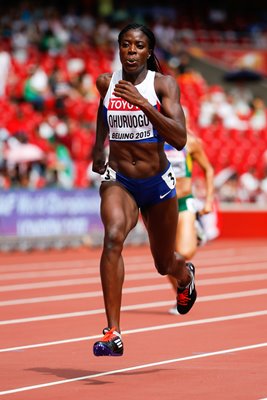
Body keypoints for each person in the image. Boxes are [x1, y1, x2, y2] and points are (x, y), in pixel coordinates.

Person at [92, 23, 197, 357]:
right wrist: (99, 147)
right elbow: (103, 110)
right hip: (120, 179)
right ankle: (113, 332)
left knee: (165, 263)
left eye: (139, 45)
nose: (132, 51)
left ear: (149, 52)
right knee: (113, 237)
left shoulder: (163, 85)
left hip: (157, 184)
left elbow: (179, 139)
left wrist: (144, 104)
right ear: (120, 49)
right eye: (126, 45)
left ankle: (185, 277)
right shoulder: (106, 83)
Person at [164, 131, 214, 314]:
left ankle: (195, 226)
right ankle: (182, 294)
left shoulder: (191, 143)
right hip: (161, 206)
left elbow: (208, 169)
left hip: (184, 203)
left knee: (183, 253)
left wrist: (208, 200)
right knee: (165, 260)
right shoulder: (153, 140)